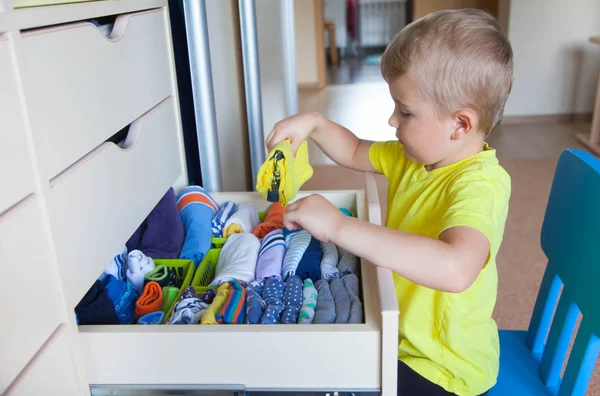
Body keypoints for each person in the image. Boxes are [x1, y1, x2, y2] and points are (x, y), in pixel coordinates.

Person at [267, 8, 513, 396]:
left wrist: (339, 227)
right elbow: (353, 150)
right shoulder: (415, 157)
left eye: (406, 111)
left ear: (460, 124)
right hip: (397, 334)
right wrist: (314, 123)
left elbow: (456, 268)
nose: (392, 121)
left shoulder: (480, 184)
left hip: (441, 366)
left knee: (326, 382)